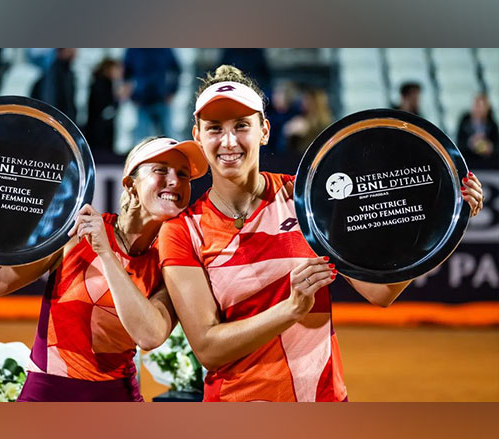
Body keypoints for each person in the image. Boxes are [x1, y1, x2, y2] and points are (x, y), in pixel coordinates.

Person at [158, 65, 485, 402]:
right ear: (198, 137)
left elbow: (380, 293)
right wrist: (291, 309)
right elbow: (209, 349)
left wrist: (444, 223)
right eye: (214, 129)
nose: (229, 141)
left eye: (242, 126)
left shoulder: (308, 202)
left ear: (264, 131)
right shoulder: (182, 231)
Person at [0, 136, 208, 401]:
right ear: (130, 184)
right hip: (44, 398)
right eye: (161, 171)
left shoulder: (175, 259)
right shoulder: (75, 232)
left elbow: (150, 335)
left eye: (183, 175)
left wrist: (106, 253)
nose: (175, 181)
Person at [123, 48, 181, 142]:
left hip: (162, 99)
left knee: (169, 138)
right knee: (142, 140)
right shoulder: (133, 50)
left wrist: (172, 91)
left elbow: (176, 70)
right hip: (142, 101)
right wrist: (132, 96)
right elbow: (126, 74)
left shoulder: (164, 49)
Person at [86, 57, 123, 155]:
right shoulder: (100, 85)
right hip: (99, 133)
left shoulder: (106, 83)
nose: (119, 72)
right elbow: (104, 108)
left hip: (101, 130)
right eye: (116, 69)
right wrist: (117, 97)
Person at [457, 93, 499, 170]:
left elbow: (496, 145)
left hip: (487, 162)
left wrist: (490, 147)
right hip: (470, 160)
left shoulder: (492, 124)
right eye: (477, 106)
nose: (478, 110)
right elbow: (459, 143)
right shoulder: (465, 121)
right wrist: (470, 143)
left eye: (481, 107)